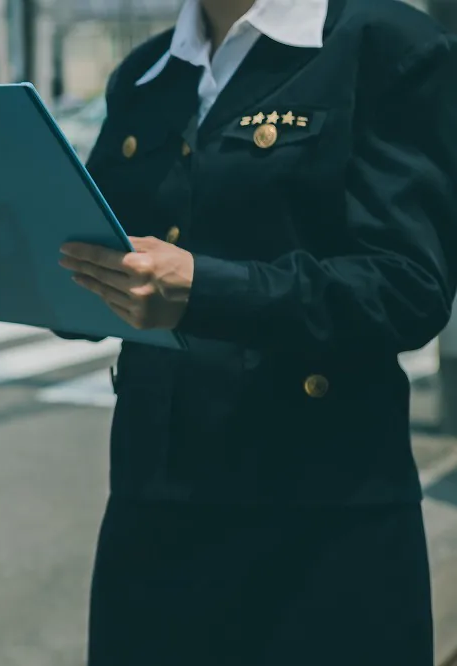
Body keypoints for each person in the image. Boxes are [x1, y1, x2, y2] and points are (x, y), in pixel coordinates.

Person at [56, 0, 457, 663]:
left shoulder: (386, 44)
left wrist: (203, 290)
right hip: (154, 503)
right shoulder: (147, 71)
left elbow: (408, 286)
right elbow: (94, 253)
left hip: (322, 517)